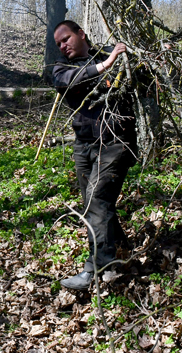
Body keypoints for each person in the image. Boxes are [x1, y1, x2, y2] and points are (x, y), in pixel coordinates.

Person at [51, 20, 137, 291]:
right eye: (59, 44)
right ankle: (120, 250)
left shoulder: (113, 57)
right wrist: (106, 64)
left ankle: (97, 268)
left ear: (81, 34)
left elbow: (142, 71)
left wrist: (150, 54)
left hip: (116, 142)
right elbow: (69, 81)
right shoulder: (61, 69)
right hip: (84, 145)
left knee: (97, 200)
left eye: (66, 38)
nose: (63, 46)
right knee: (92, 202)